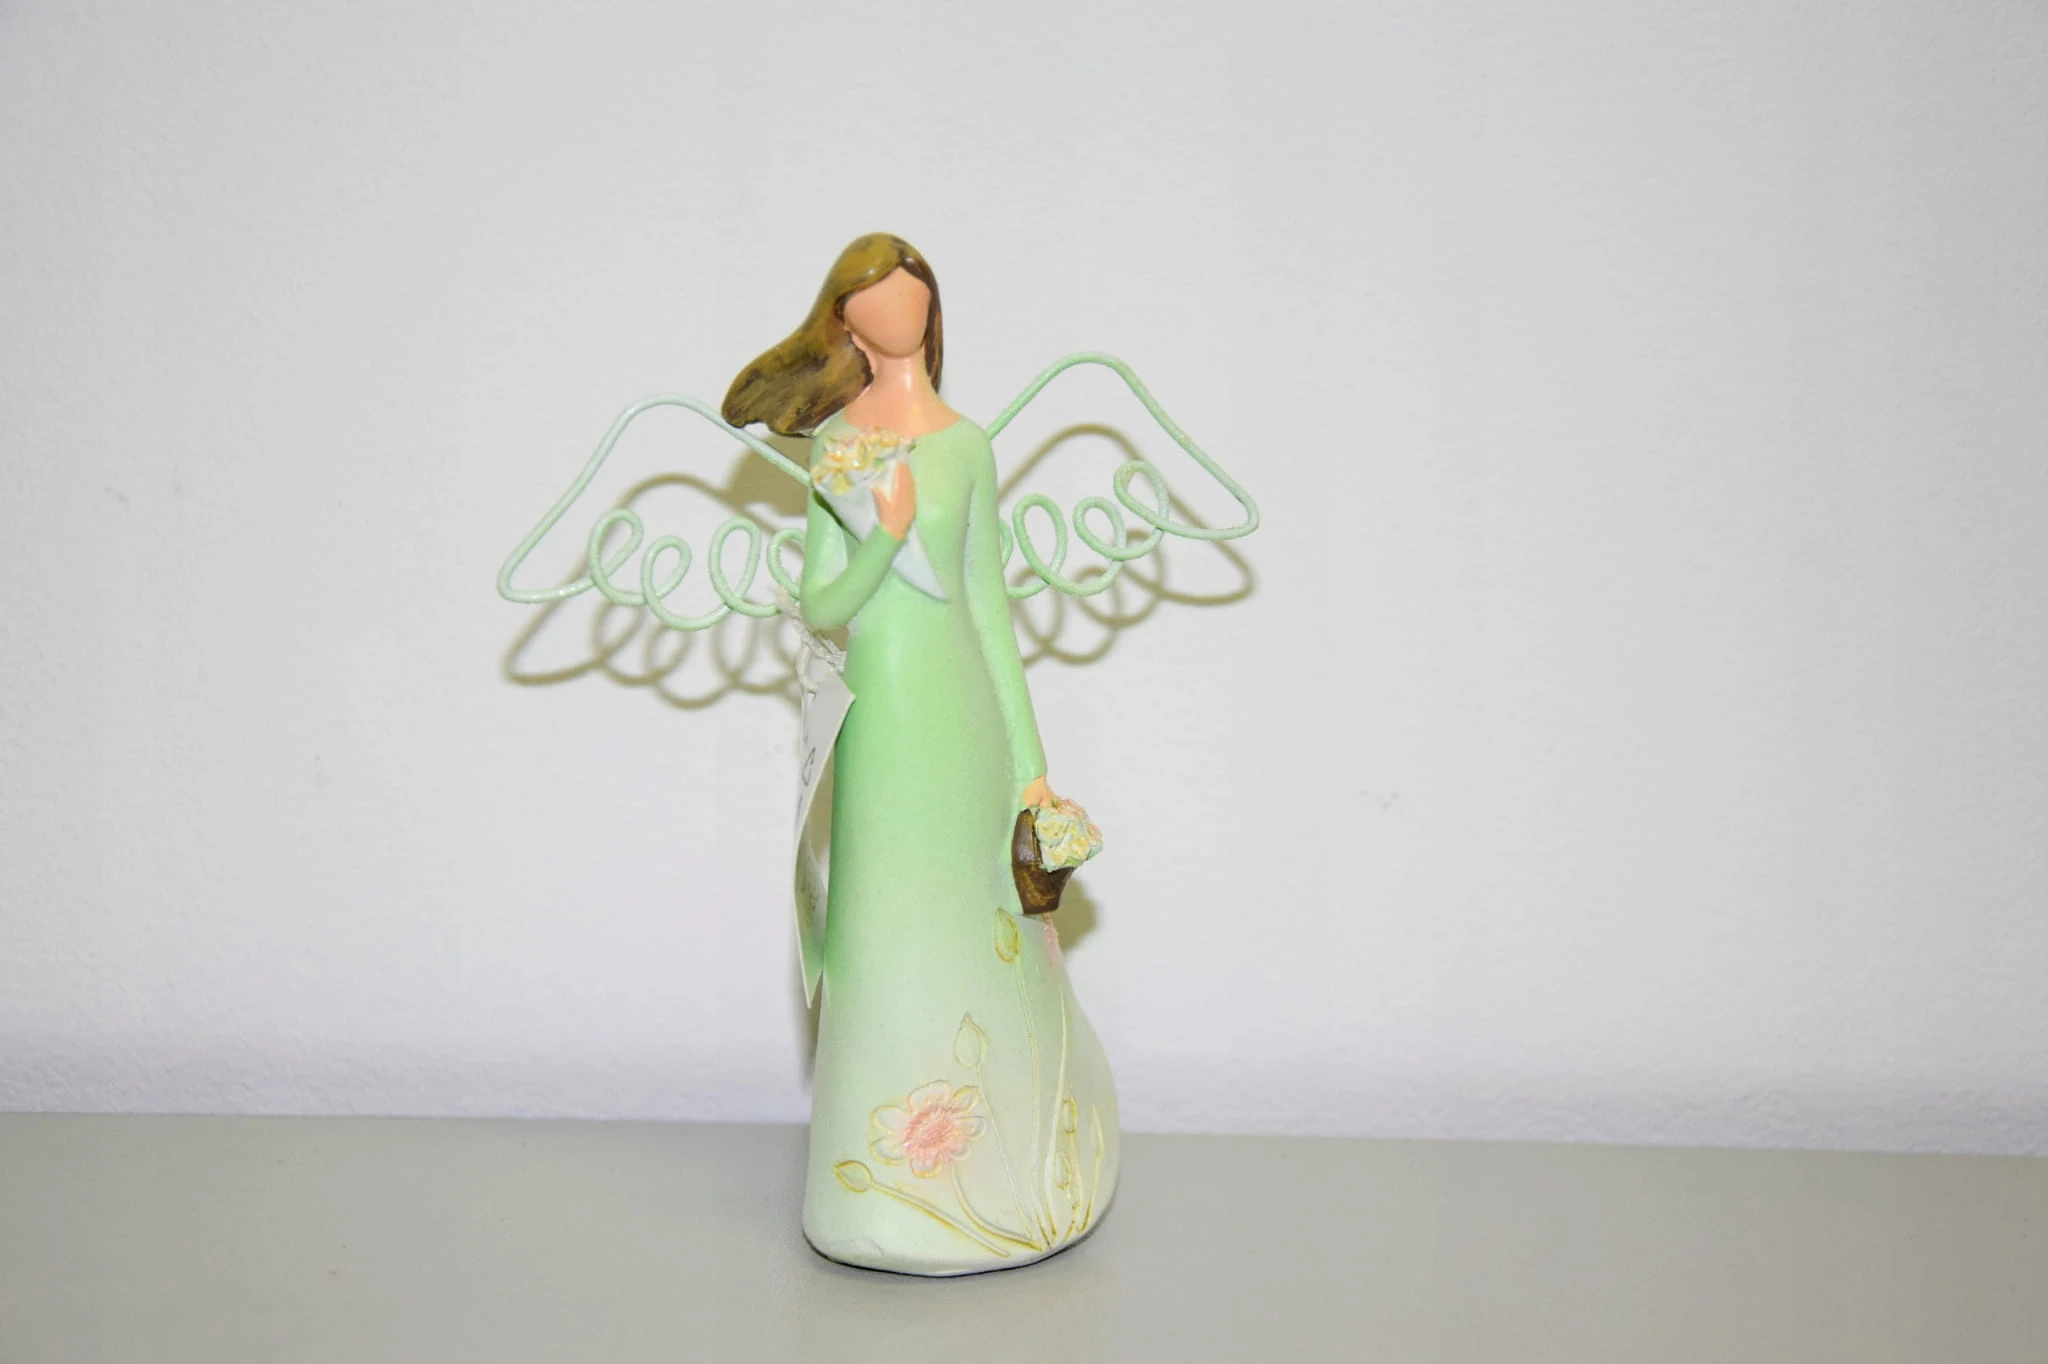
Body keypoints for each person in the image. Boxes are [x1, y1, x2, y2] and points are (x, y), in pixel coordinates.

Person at [724, 234, 1118, 1275]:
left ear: (930, 313)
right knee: (890, 918)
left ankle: (1012, 1176)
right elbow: (821, 603)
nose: (895, 319)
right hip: (885, 716)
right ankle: (885, 1193)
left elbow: (990, 609)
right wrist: (885, 535)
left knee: (979, 919)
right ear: (846, 325)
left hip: (964, 716)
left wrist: (1029, 762)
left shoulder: (966, 446)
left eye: (910, 301)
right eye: (873, 305)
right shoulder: (836, 448)